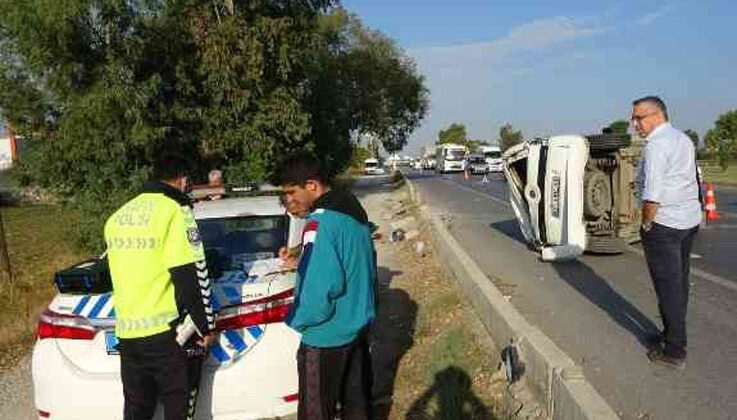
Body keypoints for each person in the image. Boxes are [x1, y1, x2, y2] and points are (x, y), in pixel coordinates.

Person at [105, 153, 217, 420]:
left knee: (136, 410)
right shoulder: (175, 211)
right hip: (167, 334)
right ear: (183, 180)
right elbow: (192, 273)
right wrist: (206, 325)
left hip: (128, 334)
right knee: (178, 411)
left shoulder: (118, 216)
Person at [275, 153, 376, 420]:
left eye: (291, 192)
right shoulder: (352, 212)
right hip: (356, 327)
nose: (288, 200)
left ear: (312, 185)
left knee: (315, 412)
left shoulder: (319, 221)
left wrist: (298, 318)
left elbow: (320, 286)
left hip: (325, 336)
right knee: (357, 407)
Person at [632, 96, 701, 369]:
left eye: (638, 117)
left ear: (657, 115)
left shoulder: (657, 146)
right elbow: (693, 177)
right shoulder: (682, 138)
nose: (634, 123)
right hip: (687, 222)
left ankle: (674, 350)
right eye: (633, 118)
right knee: (679, 282)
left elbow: (652, 195)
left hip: (665, 225)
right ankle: (671, 333)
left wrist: (647, 224)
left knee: (668, 286)